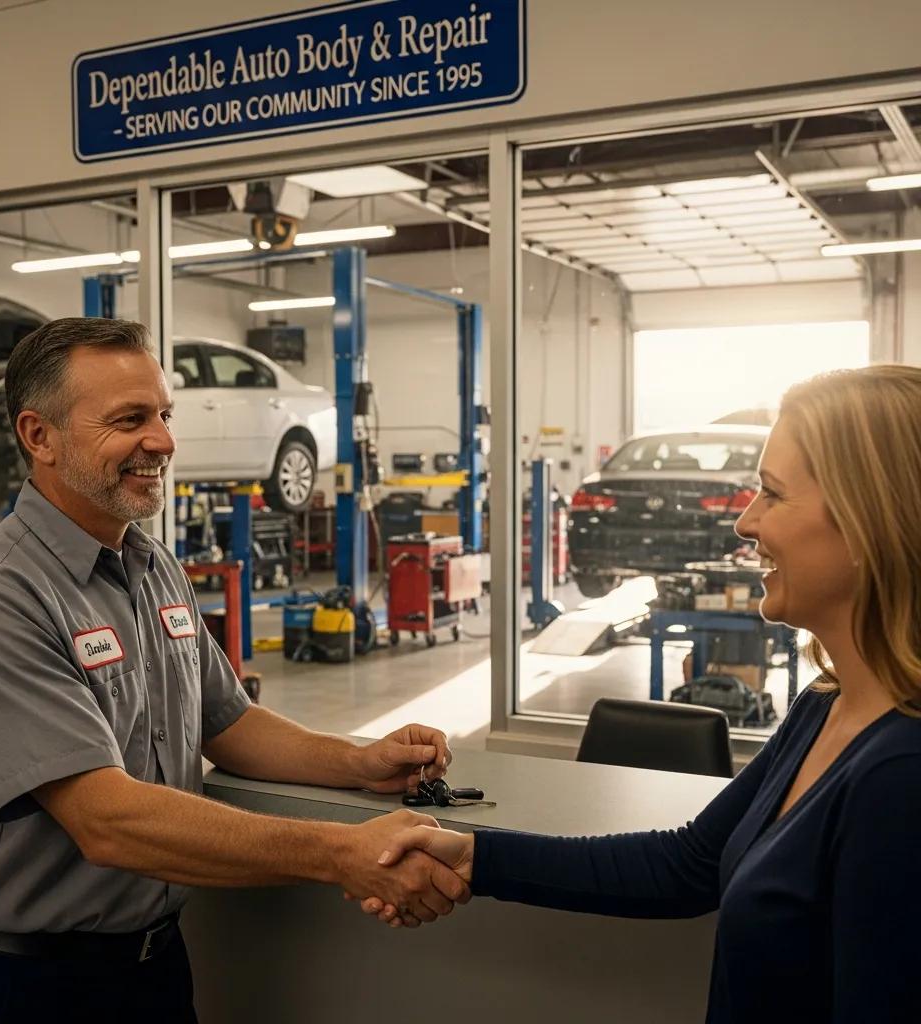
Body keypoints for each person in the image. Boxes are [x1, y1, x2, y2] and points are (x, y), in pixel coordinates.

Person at [0, 318, 467, 1024]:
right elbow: (107, 821)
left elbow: (226, 721)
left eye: (165, 415)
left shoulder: (151, 565)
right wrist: (342, 854)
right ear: (38, 435)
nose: (164, 441)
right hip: (22, 987)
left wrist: (358, 764)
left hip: (152, 972)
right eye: (130, 419)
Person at [363, 365, 921, 1023]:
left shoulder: (900, 775)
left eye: (771, 494)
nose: (746, 523)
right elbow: (687, 863)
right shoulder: (825, 709)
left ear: (870, 521)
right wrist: (477, 855)